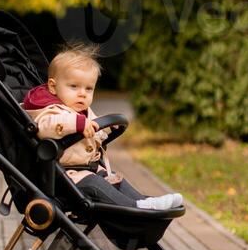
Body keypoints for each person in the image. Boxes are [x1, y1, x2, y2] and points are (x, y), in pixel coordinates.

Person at [22, 44, 183, 211]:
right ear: (53, 86)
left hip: (88, 169)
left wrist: (106, 129)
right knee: (97, 184)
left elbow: (94, 127)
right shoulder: (49, 110)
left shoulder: (81, 109)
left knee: (115, 180)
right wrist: (77, 123)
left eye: (88, 88)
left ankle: (144, 202)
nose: (82, 93)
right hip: (65, 177)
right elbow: (46, 127)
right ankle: (135, 208)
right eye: (74, 86)